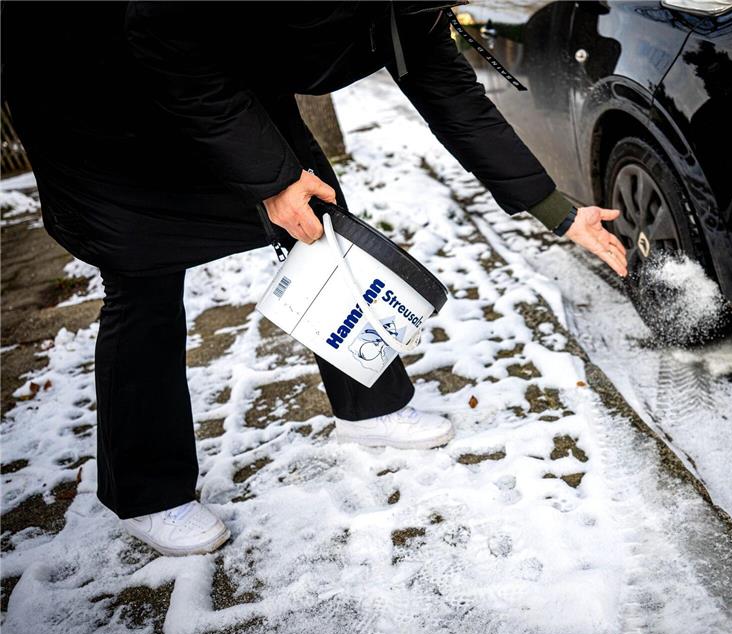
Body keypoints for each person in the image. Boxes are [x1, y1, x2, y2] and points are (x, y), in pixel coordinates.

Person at [2, 2, 627, 557]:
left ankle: (370, 405)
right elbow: (164, 36)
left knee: (321, 219)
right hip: (93, 80)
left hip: (223, 75)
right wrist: (272, 180)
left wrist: (555, 210)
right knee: (142, 275)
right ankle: (146, 491)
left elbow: (453, 97)